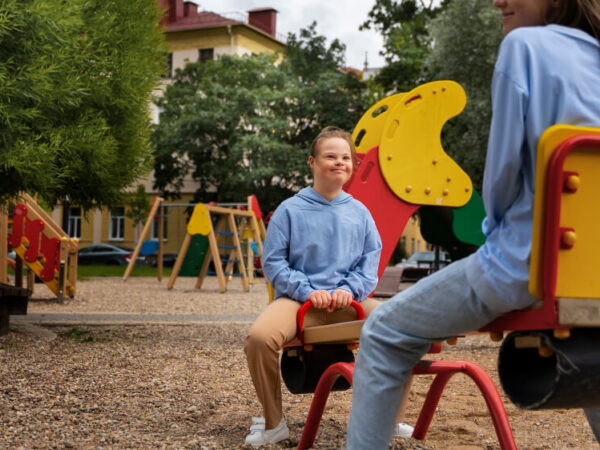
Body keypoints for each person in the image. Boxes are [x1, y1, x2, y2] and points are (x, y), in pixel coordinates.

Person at [346, 0, 600, 448]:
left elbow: (500, 180)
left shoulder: (526, 46)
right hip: (592, 270)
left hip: (529, 264)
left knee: (384, 332)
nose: (498, 1)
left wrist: (494, 237)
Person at [244, 126, 414, 446]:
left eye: (346, 157)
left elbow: (369, 263)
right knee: (259, 338)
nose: (340, 162)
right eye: (330, 156)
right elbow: (274, 263)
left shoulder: (360, 213)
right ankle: (274, 423)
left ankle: (389, 421)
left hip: (348, 303)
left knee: (400, 331)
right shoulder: (290, 210)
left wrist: (349, 289)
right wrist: (307, 290)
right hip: (300, 303)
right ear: (312, 162)